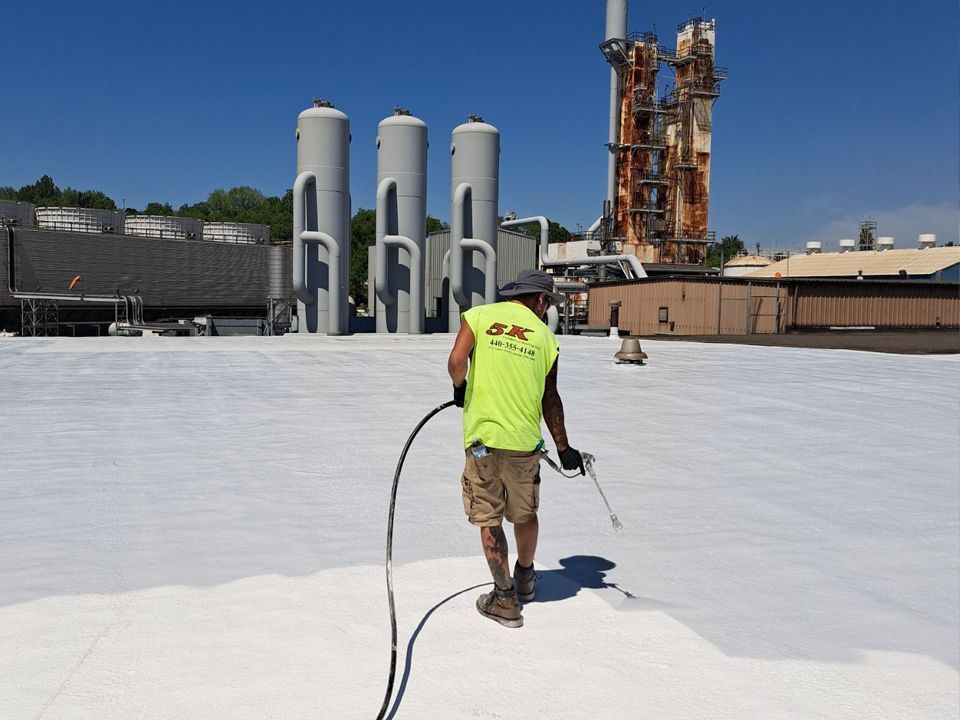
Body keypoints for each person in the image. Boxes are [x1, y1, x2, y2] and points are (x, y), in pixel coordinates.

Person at [447, 269, 585, 628]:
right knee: (524, 513)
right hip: (525, 446)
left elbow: (456, 362)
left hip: (483, 445)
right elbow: (549, 397)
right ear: (539, 299)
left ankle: (504, 599)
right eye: (547, 303)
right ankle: (525, 579)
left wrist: (461, 388)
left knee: (489, 517)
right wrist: (564, 447)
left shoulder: (480, 316)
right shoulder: (545, 338)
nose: (546, 310)